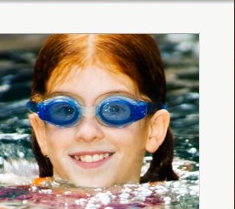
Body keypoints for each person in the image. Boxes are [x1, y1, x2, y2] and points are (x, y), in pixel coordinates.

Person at [27, 34, 178, 188]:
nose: (88, 133)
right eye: (66, 110)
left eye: (114, 109)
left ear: (154, 130)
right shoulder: (11, 205)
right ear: (41, 132)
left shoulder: (175, 206)